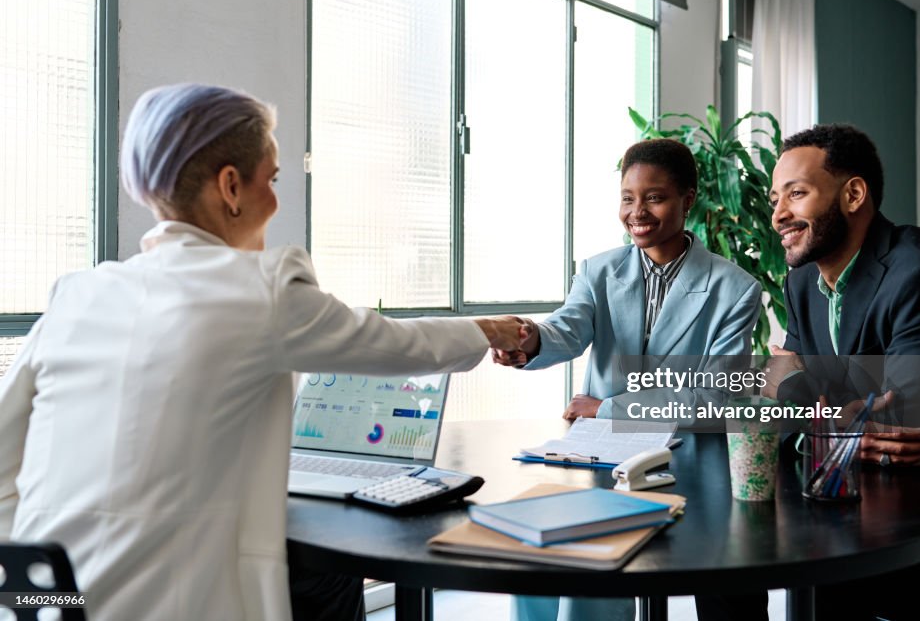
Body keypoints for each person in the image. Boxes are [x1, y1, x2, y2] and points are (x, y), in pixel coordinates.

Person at [0, 83, 528, 621]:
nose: (276, 200)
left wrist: (32, 592)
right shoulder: (261, 288)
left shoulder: (78, 295)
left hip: (51, 602)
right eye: (272, 179)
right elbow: (396, 344)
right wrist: (492, 330)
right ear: (230, 186)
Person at [494, 138, 766, 621]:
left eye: (654, 197)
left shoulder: (734, 288)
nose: (636, 211)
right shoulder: (598, 271)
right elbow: (568, 328)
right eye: (627, 197)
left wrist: (608, 408)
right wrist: (529, 340)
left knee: (729, 586)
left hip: (692, 464)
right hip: (602, 457)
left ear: (688, 199)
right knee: (551, 556)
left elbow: (718, 396)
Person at [764, 123, 920, 619]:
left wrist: (802, 396)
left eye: (796, 194)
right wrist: (822, 415)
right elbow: (785, 404)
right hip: (852, 521)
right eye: (776, 198)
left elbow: (899, 425)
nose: (779, 214)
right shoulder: (800, 285)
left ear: (853, 194)